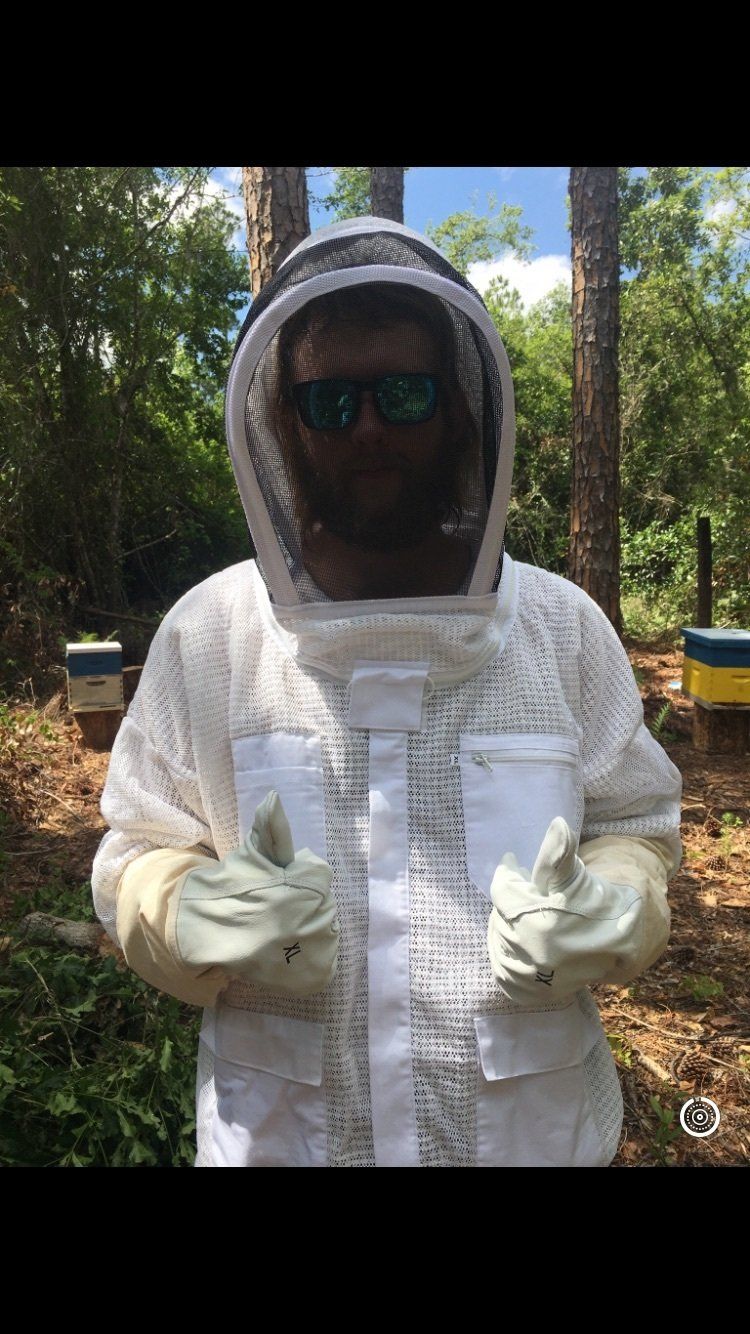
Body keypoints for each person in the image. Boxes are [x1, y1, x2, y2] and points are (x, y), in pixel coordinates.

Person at [92, 216, 682, 1168]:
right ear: (285, 425)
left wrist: (617, 898)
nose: (367, 428)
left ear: (459, 411)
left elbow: (636, 822)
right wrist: (178, 907)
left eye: (405, 394)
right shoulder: (211, 634)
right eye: (329, 401)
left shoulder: (561, 626)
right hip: (280, 1143)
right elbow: (137, 847)